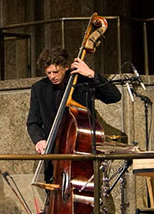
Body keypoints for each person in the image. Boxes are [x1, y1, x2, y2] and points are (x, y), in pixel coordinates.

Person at [26, 46, 122, 181]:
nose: (52, 77)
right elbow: (33, 122)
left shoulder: (82, 81)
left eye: (55, 72)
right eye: (48, 73)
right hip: (55, 156)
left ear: (65, 67)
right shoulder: (39, 88)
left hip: (82, 157)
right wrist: (39, 140)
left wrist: (91, 74)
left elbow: (114, 96)